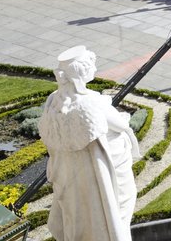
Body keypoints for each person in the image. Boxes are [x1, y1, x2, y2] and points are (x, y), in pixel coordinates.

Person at [39, 46, 140, 241]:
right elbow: (120, 126)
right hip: (98, 175)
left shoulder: (53, 101)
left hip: (71, 174)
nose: (94, 68)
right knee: (114, 213)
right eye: (91, 65)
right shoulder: (92, 103)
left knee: (77, 216)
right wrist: (124, 117)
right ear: (82, 72)